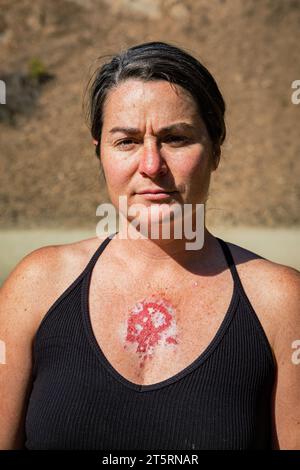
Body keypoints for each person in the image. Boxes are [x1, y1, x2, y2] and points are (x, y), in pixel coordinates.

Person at [0, 41, 299, 450]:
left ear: (215, 151)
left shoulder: (281, 302)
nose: (152, 165)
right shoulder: (36, 287)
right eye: (126, 141)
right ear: (100, 154)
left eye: (175, 138)